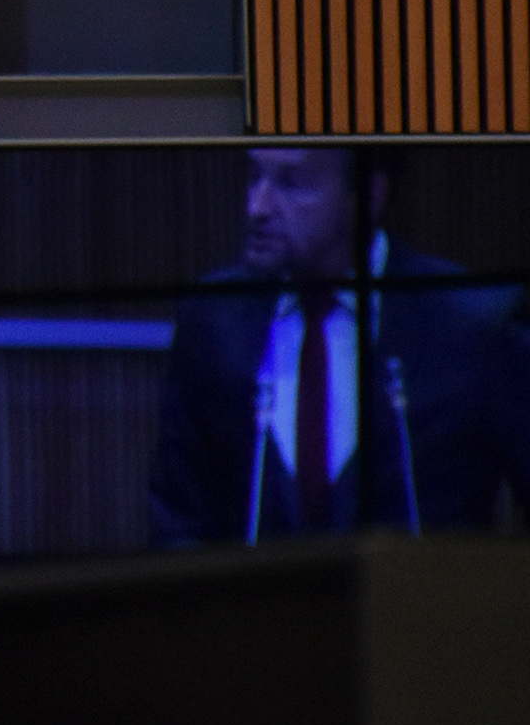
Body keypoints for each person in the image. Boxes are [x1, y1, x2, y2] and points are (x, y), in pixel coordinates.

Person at [147, 145, 530, 545]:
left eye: (291, 184)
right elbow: (178, 523)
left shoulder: (474, 324)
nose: (257, 207)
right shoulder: (212, 319)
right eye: (254, 177)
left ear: (368, 195)